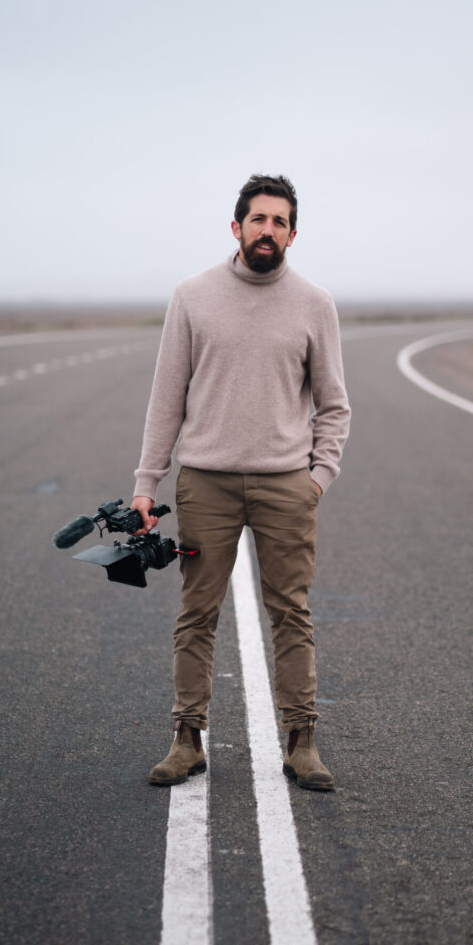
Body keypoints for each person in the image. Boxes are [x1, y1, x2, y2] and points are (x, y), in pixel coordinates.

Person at [130, 174, 351, 791]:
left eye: (280, 222)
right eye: (258, 219)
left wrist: (318, 476)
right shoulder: (193, 296)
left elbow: (334, 405)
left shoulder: (314, 303)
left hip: (287, 487)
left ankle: (302, 741)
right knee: (197, 612)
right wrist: (148, 483)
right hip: (207, 485)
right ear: (236, 226)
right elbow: (165, 399)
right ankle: (186, 739)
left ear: (293, 234)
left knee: (292, 614)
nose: (268, 230)